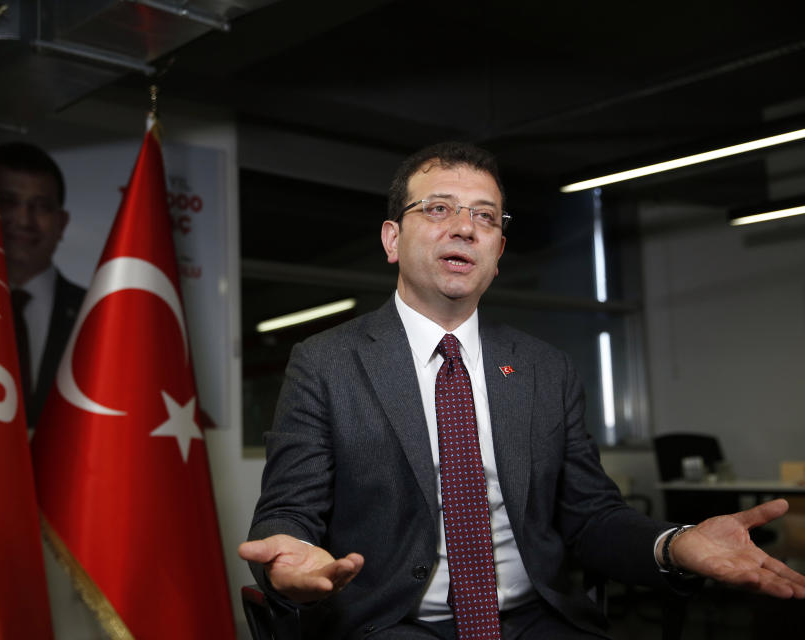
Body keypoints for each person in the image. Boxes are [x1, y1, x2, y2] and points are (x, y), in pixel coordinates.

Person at [238, 141, 805, 639]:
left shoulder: (543, 369)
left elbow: (590, 516)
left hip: (538, 619)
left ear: (498, 252)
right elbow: (289, 509)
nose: (465, 227)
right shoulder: (326, 362)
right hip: (391, 624)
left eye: (486, 217)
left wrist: (675, 544)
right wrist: (289, 556)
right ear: (392, 239)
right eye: (438, 208)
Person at [0, 142, 86, 428]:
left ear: (62, 223)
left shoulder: (99, 315)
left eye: (41, 206)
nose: (23, 219)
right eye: (7, 202)